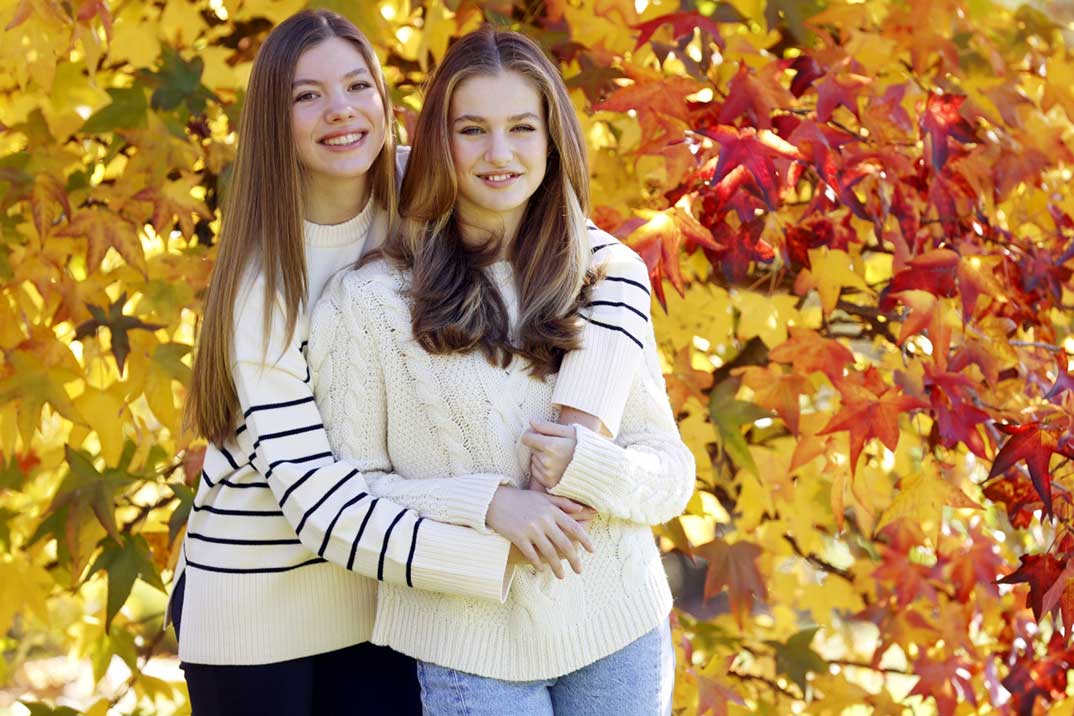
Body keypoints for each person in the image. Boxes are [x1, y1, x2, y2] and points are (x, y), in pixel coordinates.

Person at [172, 10, 655, 715]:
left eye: (356, 85)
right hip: (261, 603)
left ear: (386, 101)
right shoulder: (265, 287)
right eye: (307, 96)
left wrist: (579, 422)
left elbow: (608, 262)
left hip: (387, 592)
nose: (340, 112)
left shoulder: (420, 185)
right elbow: (316, 500)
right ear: (274, 121)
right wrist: (497, 541)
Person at [308, 26, 695, 716]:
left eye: (522, 127)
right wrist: (489, 505)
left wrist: (590, 464)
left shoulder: (604, 279)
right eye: (473, 129)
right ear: (438, 143)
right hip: (466, 646)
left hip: (618, 625)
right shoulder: (369, 303)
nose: (500, 153)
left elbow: (669, 474)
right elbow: (349, 496)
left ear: (552, 140)